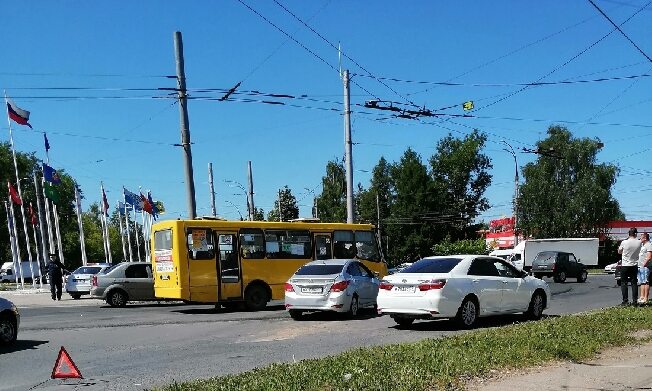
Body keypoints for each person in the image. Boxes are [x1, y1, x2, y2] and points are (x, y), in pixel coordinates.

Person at [618, 227, 641, 306]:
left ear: (629, 233)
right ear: (636, 233)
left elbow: (619, 251)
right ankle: (635, 301)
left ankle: (625, 301)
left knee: (624, 283)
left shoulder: (624, 242)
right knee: (634, 283)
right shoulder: (639, 242)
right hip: (634, 264)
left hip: (625, 265)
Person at [639, 233, 652, 304]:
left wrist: (644, 265)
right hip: (640, 266)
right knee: (642, 282)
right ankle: (641, 297)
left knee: (646, 282)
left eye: (641, 238)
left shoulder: (649, 245)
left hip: (646, 266)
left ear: (645, 238)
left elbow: (649, 256)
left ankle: (646, 298)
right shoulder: (643, 245)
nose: (640, 239)